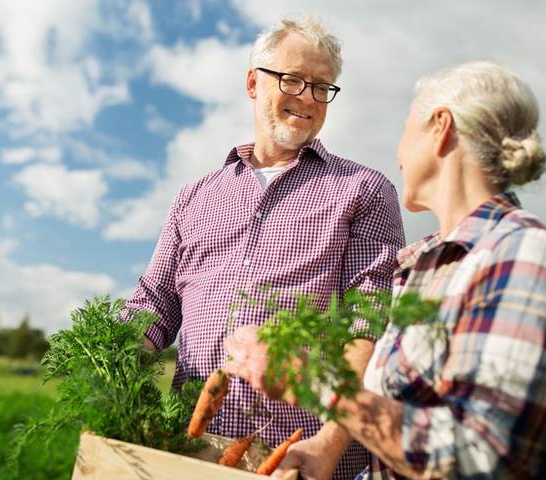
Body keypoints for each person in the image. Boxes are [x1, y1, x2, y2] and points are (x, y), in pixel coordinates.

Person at [225, 61, 546, 478]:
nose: (397, 154)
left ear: (440, 128)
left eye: (405, 128)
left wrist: (312, 381)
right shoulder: (424, 268)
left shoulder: (527, 257)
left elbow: (478, 459)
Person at [125, 16, 404, 480]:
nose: (309, 99)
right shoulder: (194, 197)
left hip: (298, 458)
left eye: (322, 87)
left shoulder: (364, 190)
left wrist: (329, 445)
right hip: (187, 452)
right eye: (293, 80)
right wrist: (106, 360)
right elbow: (155, 302)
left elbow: (368, 324)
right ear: (254, 82)